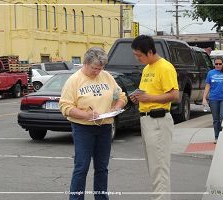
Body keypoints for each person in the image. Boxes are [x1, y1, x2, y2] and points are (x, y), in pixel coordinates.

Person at [59, 47, 127, 200]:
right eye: (95, 68)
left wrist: (117, 106)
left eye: (101, 68)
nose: (97, 72)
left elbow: (121, 95)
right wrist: (85, 115)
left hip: (105, 127)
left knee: (102, 168)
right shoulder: (74, 81)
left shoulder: (107, 77)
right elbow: (65, 107)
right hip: (83, 128)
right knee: (81, 167)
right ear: (85, 63)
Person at [130, 35, 179, 200]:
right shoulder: (147, 68)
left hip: (158, 120)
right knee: (153, 167)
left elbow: (174, 95)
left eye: (139, 55)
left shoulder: (165, 67)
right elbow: (147, 93)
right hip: (146, 120)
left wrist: (148, 98)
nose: (138, 59)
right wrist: (138, 96)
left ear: (150, 51)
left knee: (159, 168)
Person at [203, 56, 223, 144]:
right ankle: (217, 136)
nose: (218, 65)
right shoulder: (210, 73)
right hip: (213, 98)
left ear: (222, 64)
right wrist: (204, 98)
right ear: (214, 64)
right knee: (216, 119)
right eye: (216, 64)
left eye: (219, 64)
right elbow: (208, 86)